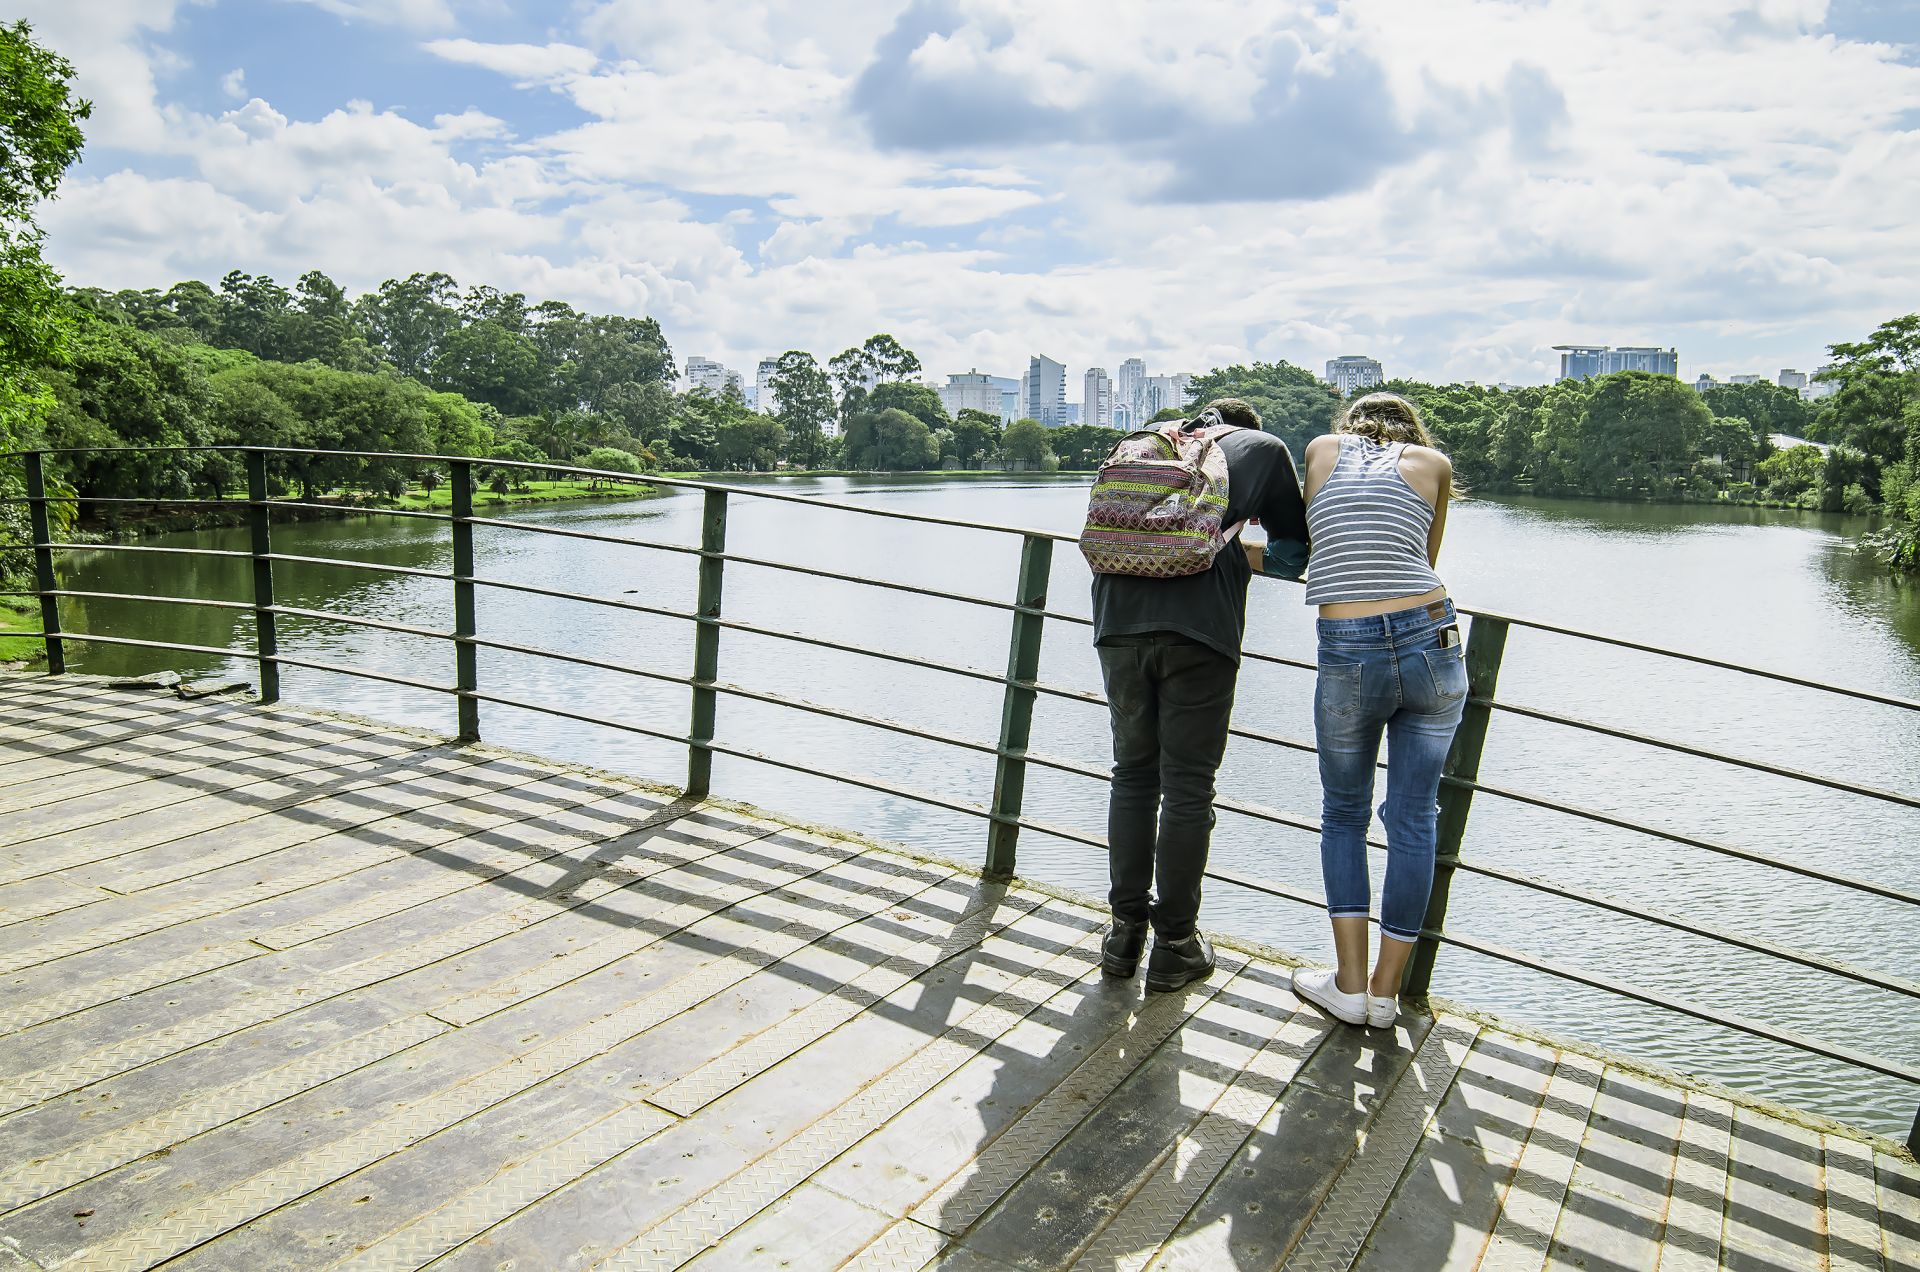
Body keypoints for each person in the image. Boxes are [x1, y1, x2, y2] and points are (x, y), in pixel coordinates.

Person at [1090, 398, 1309, 993]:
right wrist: (1240, 550)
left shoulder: (1147, 442)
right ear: (1248, 427)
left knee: (1133, 776)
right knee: (1187, 787)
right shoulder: (1262, 451)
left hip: (1117, 624)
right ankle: (1175, 946)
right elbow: (1295, 549)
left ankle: (1122, 936)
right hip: (1199, 633)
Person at [1270, 392, 1466, 1028]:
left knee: (1345, 812)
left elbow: (1319, 546)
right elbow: (1423, 561)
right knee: (1414, 817)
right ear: (1413, 431)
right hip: (1432, 633)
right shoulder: (1434, 464)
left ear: (1346, 428)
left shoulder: (1321, 451)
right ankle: (1386, 993)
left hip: (1350, 645)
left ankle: (1348, 986)